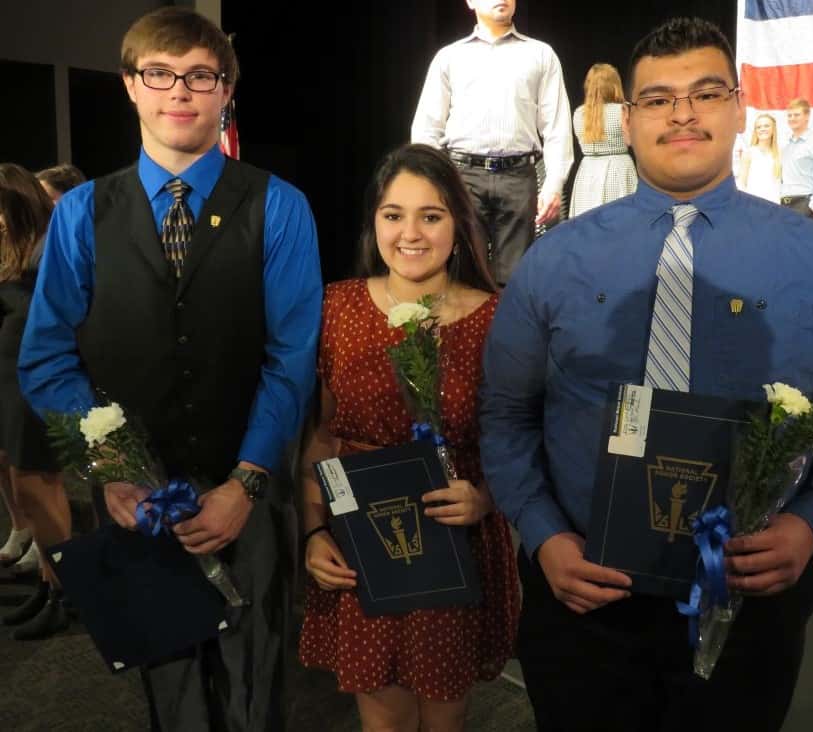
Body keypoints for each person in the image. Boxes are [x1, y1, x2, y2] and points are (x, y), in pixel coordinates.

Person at [479, 17, 813, 732]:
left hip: (747, 604)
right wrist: (544, 534)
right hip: (583, 597)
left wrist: (810, 527)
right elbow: (505, 414)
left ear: (739, 109)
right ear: (628, 119)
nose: (682, 113)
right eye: (658, 98)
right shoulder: (554, 261)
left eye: (706, 93)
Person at [17, 7, 322, 730]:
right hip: (134, 502)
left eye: (200, 76)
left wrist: (246, 482)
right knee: (170, 695)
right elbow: (47, 356)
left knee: (252, 696)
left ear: (226, 91)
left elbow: (291, 358)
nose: (179, 90)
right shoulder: (82, 213)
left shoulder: (279, 206)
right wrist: (112, 470)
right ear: (130, 85)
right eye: (159, 73)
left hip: (246, 498)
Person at [299, 143, 520, 732]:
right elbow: (322, 437)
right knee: (384, 722)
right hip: (362, 541)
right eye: (394, 214)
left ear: (458, 224)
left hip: (455, 543)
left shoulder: (497, 318)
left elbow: (519, 441)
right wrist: (314, 531)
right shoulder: (336, 307)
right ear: (374, 222)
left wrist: (486, 498)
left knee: (444, 720)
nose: (410, 233)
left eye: (431, 215)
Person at [411, 0, 573, 286]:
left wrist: (554, 184)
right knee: (462, 274)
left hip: (519, 176)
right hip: (463, 176)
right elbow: (427, 127)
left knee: (515, 279)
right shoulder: (450, 57)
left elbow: (556, 125)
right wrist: (434, 182)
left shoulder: (540, 54)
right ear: (470, 2)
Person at [0, 164, 72, 641]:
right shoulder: (16, 249)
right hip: (11, 377)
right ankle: (49, 586)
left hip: (36, 380)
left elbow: (48, 313)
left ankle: (67, 593)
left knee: (40, 490)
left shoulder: (46, 249)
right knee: (27, 490)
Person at [569, 63, 637, 217]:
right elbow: (631, 141)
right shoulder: (621, 110)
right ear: (614, 85)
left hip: (587, 172)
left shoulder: (579, 113)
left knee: (587, 221)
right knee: (619, 219)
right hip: (618, 169)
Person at [780, 98, 813, 221]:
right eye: (789, 115)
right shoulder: (784, 143)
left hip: (804, 203)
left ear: (807, 116)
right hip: (783, 204)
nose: (792, 118)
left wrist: (811, 208)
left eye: (796, 115)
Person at [736, 113, 780, 203]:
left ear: (773, 129)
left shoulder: (779, 154)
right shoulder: (749, 153)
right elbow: (741, 183)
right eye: (758, 127)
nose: (762, 129)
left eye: (766, 126)